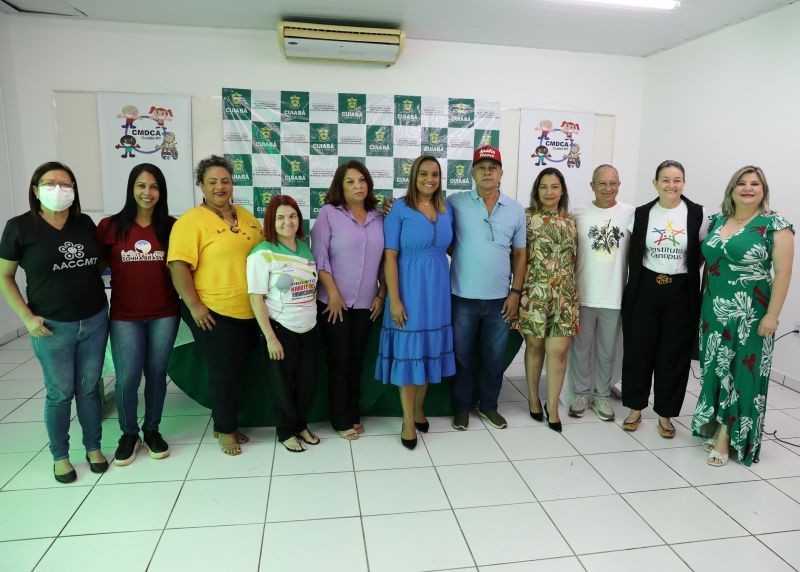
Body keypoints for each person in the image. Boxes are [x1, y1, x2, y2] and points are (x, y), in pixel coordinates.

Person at [0, 161, 109, 483]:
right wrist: (27, 318)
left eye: (66, 184)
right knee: (60, 393)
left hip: (93, 320)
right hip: (51, 327)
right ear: (35, 190)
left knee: (89, 390)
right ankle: (60, 455)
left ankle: (93, 447)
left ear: (75, 191)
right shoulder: (19, 227)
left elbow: (97, 264)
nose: (59, 190)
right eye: (50, 184)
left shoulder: (85, 223)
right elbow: (5, 276)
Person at [691, 166, 794, 466]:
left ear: (763, 190)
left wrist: (772, 315)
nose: (748, 188)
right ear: (732, 189)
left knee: (740, 374)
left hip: (750, 313)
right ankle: (717, 424)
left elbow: (784, 273)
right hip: (713, 311)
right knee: (714, 370)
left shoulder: (775, 225)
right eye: (742, 183)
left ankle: (727, 438)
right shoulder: (716, 221)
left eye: (755, 184)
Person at [167, 155, 262, 456]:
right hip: (211, 310)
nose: (220, 187)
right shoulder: (190, 221)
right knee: (223, 372)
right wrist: (194, 305)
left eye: (225, 180)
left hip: (248, 310)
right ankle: (225, 428)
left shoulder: (247, 216)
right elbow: (178, 265)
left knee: (239, 372)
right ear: (201, 185)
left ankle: (227, 421)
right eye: (212, 182)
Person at [96, 163, 179, 466]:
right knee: (127, 377)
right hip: (124, 316)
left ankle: (152, 430)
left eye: (154, 186)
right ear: (132, 189)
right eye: (142, 186)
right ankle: (129, 433)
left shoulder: (172, 227)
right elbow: (94, 269)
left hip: (165, 313)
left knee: (156, 375)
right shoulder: (109, 226)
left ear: (162, 191)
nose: (148, 192)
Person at [621, 160, 707, 438]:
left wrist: (682, 276)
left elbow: (700, 254)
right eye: (666, 180)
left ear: (684, 182)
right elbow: (633, 253)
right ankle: (635, 408)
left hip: (681, 292)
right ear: (655, 182)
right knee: (639, 351)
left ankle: (666, 414)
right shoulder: (642, 213)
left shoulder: (696, 214)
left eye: (677, 180)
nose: (672, 185)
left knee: (673, 354)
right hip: (646, 288)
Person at [376, 155, 455, 449]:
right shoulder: (398, 209)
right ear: (413, 176)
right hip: (408, 291)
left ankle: (420, 407)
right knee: (410, 357)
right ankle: (408, 420)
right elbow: (390, 257)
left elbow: (453, 247)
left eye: (435, 174)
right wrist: (394, 300)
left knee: (428, 353)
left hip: (437, 294)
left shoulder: (447, 209)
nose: (429, 179)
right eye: (423, 174)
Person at [449, 146, 526, 431]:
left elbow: (519, 255)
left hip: (500, 300)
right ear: (472, 172)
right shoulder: (455, 203)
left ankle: (489, 406)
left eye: (492, 167)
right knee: (462, 357)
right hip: (462, 297)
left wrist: (515, 292)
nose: (487, 172)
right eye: (481, 167)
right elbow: (441, 234)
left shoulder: (515, 209)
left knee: (494, 359)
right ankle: (461, 407)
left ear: (501, 172)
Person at [311, 161, 385, 440]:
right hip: (334, 304)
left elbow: (386, 261)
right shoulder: (329, 213)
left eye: (362, 180)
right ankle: (340, 419)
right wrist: (334, 294)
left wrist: (381, 294)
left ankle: (352, 411)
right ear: (340, 187)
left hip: (367, 303)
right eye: (350, 182)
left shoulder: (379, 217)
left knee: (356, 361)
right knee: (339, 362)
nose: (357, 186)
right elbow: (320, 257)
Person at [248, 195, 319, 453]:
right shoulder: (262, 252)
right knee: (282, 385)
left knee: (307, 383)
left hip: (309, 327)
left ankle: (301, 425)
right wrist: (270, 337)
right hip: (280, 328)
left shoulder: (305, 247)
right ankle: (286, 431)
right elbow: (256, 297)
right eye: (280, 217)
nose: (287, 221)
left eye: (291, 216)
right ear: (271, 221)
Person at [567, 165, 634, 421]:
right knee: (581, 348)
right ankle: (581, 393)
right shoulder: (577, 214)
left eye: (613, 183)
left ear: (619, 184)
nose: (608, 188)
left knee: (608, 351)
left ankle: (601, 395)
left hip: (614, 296)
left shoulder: (630, 214)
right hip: (583, 294)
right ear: (592, 185)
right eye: (602, 183)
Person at [518, 168, 578, 433]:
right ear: (536, 190)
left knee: (559, 351)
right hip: (534, 292)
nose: (549, 192)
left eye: (554, 186)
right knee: (535, 348)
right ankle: (533, 397)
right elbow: (517, 256)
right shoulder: (525, 218)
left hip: (564, 295)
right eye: (544, 187)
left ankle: (552, 407)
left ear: (562, 190)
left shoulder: (572, 220)